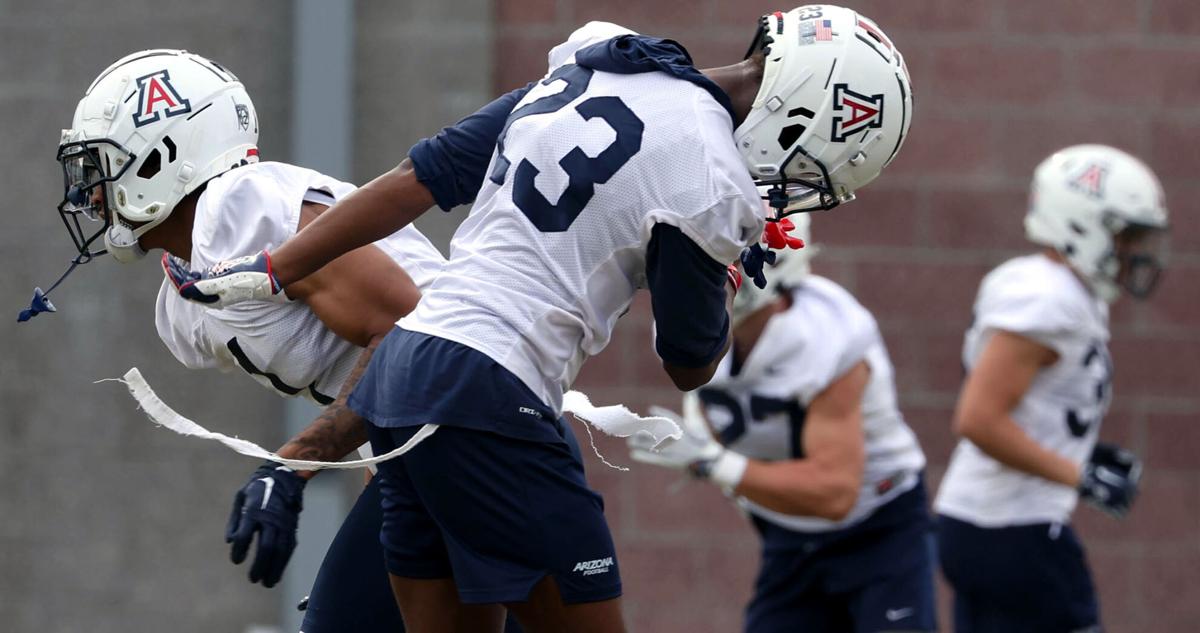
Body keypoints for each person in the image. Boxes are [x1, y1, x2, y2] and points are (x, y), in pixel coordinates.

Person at [167, 7, 913, 631]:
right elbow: (687, 359)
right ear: (804, 115)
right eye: (814, 166)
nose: (793, 187)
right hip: (495, 394)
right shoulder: (715, 179)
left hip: (404, 376)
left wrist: (274, 268)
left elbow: (413, 179)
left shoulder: (599, 59)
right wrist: (721, 267)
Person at [50, 49, 524, 633]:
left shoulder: (242, 211)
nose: (89, 194)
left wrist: (293, 464)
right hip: (449, 437)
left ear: (163, 155)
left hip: (473, 424)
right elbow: (385, 380)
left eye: (102, 167)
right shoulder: (182, 297)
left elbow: (415, 338)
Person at [628, 214, 935, 633]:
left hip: (876, 524)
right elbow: (709, 412)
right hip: (786, 529)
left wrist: (715, 465)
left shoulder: (826, 334)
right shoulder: (690, 325)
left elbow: (835, 494)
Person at [934, 144, 1167, 632]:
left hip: (987, 523)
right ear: (1084, 224)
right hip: (1012, 528)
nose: (1133, 253)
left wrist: (1082, 451)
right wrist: (1076, 475)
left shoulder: (1059, 290)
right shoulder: (1049, 298)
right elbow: (978, 419)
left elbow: (1027, 405)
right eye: (1125, 237)